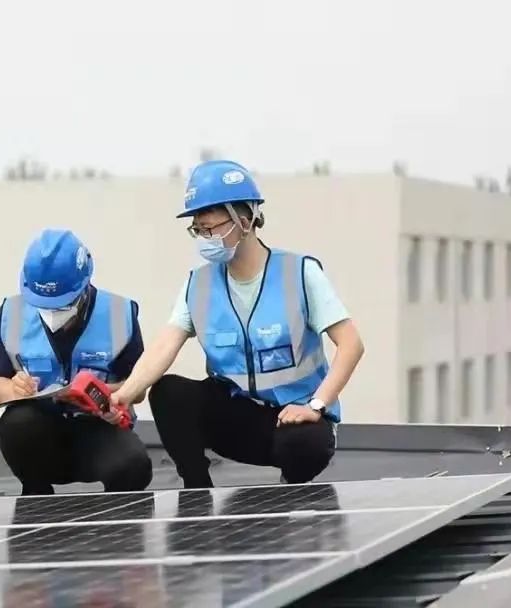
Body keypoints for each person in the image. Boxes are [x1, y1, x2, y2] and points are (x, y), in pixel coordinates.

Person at [109, 160, 365, 487]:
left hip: (295, 420)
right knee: (168, 392)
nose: (203, 238)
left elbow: (351, 344)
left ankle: (292, 489)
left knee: (304, 443)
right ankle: (197, 491)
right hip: (236, 422)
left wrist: (316, 405)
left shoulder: (299, 273)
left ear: (244, 220)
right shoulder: (199, 285)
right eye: (197, 230)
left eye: (209, 228)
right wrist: (123, 396)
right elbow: (163, 347)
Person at [0, 228, 153, 495]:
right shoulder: (12, 313)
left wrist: (103, 394)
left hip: (99, 430)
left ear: (84, 286)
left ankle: (116, 511)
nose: (53, 312)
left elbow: (138, 388)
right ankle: (35, 495)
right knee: (17, 423)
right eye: (44, 305)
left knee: (134, 467)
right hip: (42, 434)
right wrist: (14, 389)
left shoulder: (118, 314)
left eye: (62, 305)